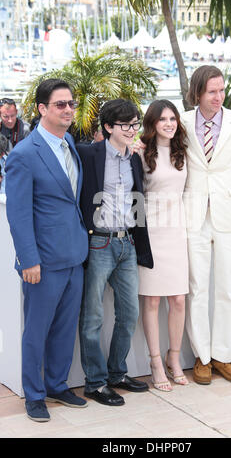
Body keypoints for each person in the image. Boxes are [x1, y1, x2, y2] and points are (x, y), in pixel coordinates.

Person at [5, 79, 89, 422]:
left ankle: (56, 384)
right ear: (42, 109)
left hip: (75, 255)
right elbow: (19, 214)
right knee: (36, 331)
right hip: (43, 261)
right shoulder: (24, 154)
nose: (68, 109)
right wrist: (29, 259)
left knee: (65, 328)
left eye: (71, 103)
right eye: (60, 104)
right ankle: (34, 395)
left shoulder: (68, 141)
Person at [181, 65, 231, 385]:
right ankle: (202, 356)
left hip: (229, 217)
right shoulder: (181, 121)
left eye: (221, 90)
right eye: (212, 91)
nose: (218, 96)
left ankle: (224, 356)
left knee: (226, 288)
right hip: (193, 216)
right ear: (198, 92)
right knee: (197, 288)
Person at [76, 98, 153, 407]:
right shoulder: (88, 154)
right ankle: (95, 382)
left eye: (135, 124)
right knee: (92, 315)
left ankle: (117, 373)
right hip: (99, 243)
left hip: (127, 243)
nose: (132, 130)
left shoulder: (133, 158)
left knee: (129, 313)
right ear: (108, 127)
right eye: (126, 125)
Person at [136, 100, 189, 391]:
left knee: (178, 300)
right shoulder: (142, 152)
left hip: (177, 231)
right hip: (152, 233)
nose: (169, 123)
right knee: (153, 300)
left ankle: (174, 358)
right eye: (163, 119)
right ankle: (155, 361)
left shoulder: (183, 151)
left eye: (173, 118)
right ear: (152, 123)